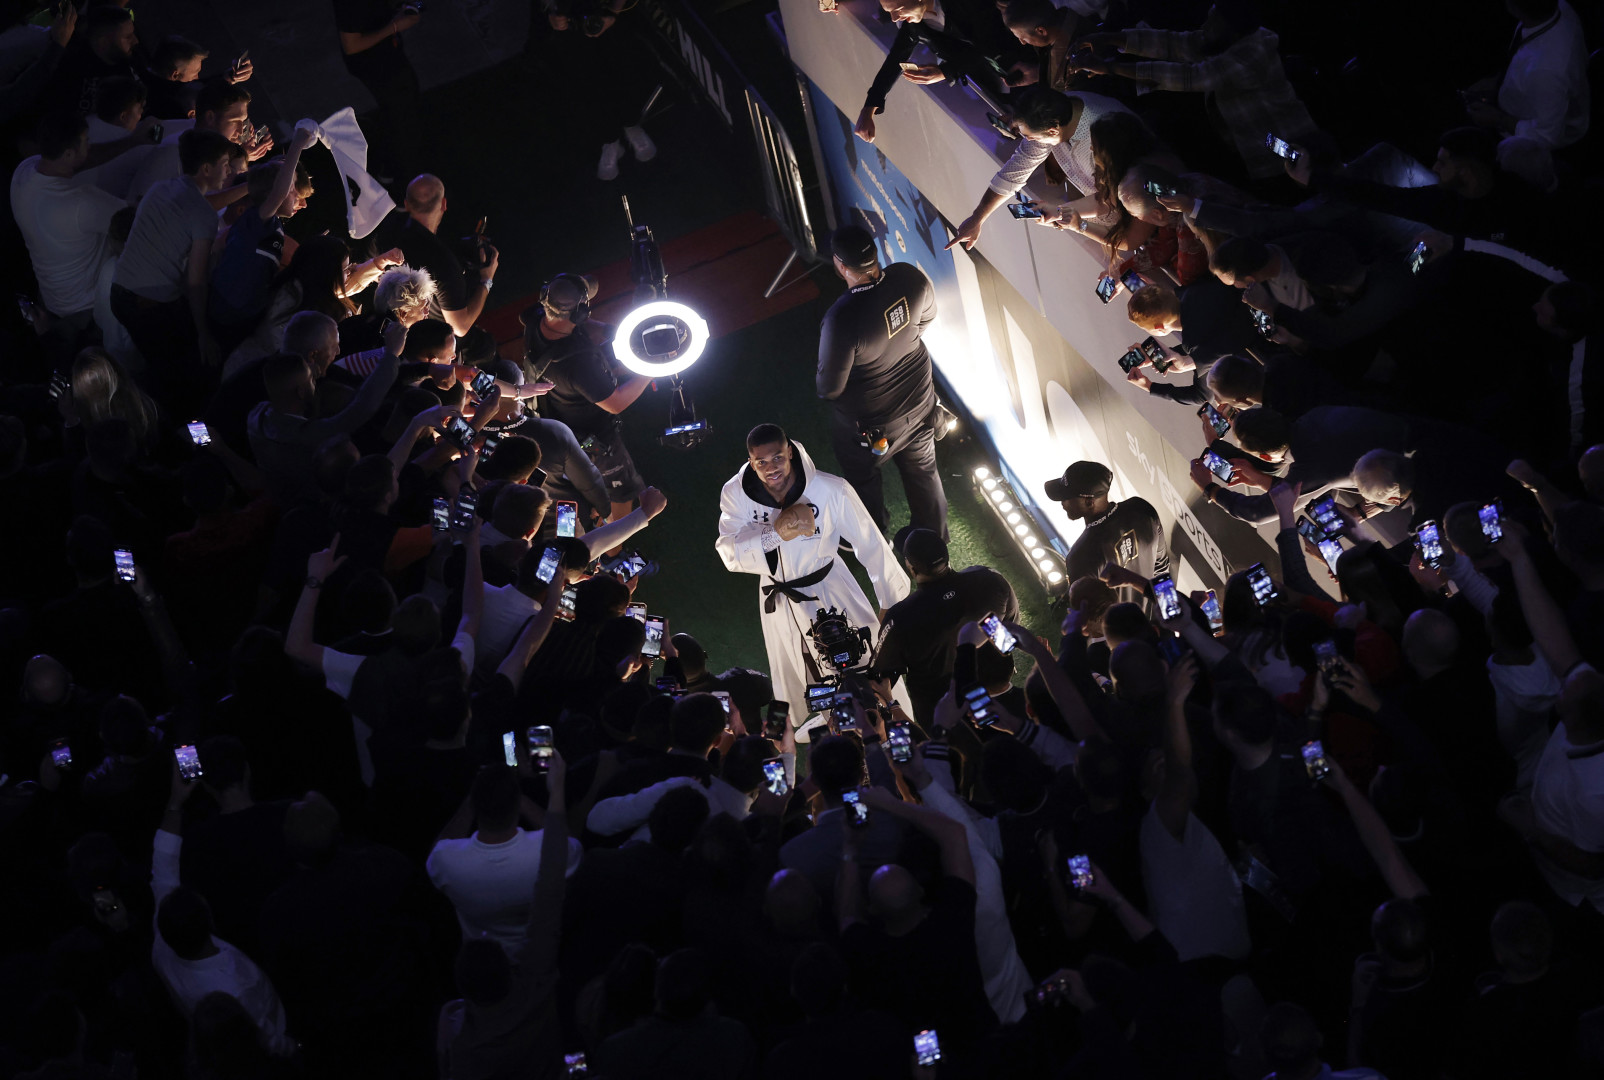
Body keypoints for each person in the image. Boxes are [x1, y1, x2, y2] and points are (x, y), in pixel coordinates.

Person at [716, 423, 909, 722]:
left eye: (777, 458)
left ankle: (886, 718)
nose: (771, 469)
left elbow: (872, 544)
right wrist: (776, 533)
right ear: (751, 462)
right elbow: (728, 552)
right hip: (777, 596)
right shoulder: (735, 493)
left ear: (790, 452)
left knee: (860, 660)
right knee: (795, 666)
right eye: (761, 463)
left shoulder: (829, 489)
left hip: (829, 587)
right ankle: (822, 727)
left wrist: (889, 603)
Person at [1070, 5, 1323, 182]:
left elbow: (1192, 77)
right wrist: (1111, 38)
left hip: (1279, 139)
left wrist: (1109, 67)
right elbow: (1176, 43)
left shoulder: (1252, 51)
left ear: (1232, 29)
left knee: (1296, 180)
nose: (1206, 25)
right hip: (1253, 139)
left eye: (1214, 22)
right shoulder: (1227, 37)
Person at [816, 225, 948, 538]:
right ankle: (934, 550)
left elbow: (829, 388)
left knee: (863, 483)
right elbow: (926, 320)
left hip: (872, 427)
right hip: (921, 404)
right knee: (925, 474)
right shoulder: (908, 277)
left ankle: (877, 544)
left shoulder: (842, 319)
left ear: (840, 266)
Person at [109, 128, 235, 408]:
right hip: (148, 305)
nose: (229, 171)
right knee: (186, 377)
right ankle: (184, 430)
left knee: (160, 367)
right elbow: (195, 282)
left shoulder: (160, 188)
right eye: (225, 165)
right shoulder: (204, 216)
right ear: (206, 168)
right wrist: (203, 334)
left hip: (118, 293)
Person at [521, 273, 648, 524]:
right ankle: (613, 552)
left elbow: (575, 322)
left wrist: (606, 329)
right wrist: (651, 367)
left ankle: (593, 514)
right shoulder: (578, 364)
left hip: (561, 419)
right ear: (580, 313)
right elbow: (616, 403)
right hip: (595, 438)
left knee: (579, 485)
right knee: (621, 492)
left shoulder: (534, 318)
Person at [10, 111, 134, 363]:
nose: (91, 144)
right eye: (87, 141)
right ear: (68, 153)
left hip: (52, 298)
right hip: (87, 306)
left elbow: (75, 162)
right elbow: (134, 219)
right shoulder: (81, 202)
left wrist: (135, 140)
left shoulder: (23, 172)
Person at [946, 85, 1132, 251]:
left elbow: (1109, 199)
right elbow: (1016, 170)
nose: (1027, 141)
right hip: (1096, 208)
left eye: (1031, 137)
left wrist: (1059, 211)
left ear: (1052, 131)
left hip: (1132, 214)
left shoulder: (1104, 138)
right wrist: (977, 218)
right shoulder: (1053, 113)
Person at [426, 766, 583, 957]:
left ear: (475, 805)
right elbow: (569, 840)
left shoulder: (447, 860)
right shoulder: (552, 850)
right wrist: (519, 797)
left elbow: (438, 849)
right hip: (541, 953)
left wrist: (472, 800)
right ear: (517, 804)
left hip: (481, 956)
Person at [873, 527, 1016, 726]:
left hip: (941, 714)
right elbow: (1008, 626)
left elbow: (879, 678)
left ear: (911, 567)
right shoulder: (991, 580)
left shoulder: (900, 618)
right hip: (994, 691)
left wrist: (891, 705)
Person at [207, 128, 317, 353]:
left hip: (243, 316)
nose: (297, 196)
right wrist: (297, 145)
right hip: (226, 313)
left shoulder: (271, 225)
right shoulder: (257, 220)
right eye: (292, 189)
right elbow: (279, 193)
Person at [851, 0, 1021, 144]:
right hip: (989, 79)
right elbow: (895, 59)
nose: (894, 17)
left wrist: (945, 71)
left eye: (898, 9)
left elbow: (988, 46)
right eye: (890, 12)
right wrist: (868, 110)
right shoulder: (915, 25)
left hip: (1020, 60)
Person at [1464, 0, 1589, 192]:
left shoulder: (1546, 73)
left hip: (1539, 143)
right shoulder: (1561, 8)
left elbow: (1547, 136)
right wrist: (1500, 80)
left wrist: (1499, 119)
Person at [393, 174, 499, 338]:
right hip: (423, 343)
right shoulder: (442, 262)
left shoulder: (386, 236)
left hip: (391, 332)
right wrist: (486, 280)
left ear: (406, 204)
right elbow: (460, 326)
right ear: (443, 204)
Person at [1045, 460, 1169, 596]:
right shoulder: (1142, 509)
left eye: (1067, 497)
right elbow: (1162, 570)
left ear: (1089, 501)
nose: (1062, 502)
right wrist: (1169, 609)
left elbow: (1093, 615)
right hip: (1157, 614)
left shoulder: (1080, 557)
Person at [333, 0, 423, 177]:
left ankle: (391, 170)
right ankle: (404, 184)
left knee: (401, 114)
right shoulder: (349, 5)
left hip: (388, 54)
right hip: (376, 64)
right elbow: (351, 46)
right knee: (401, 120)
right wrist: (395, 26)